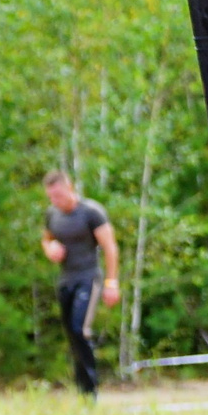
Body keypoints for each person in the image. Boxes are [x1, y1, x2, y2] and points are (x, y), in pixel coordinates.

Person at [40, 170, 121, 397]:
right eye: (51, 197)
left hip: (89, 278)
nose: (56, 201)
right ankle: (81, 390)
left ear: (70, 188)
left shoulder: (91, 212)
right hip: (66, 279)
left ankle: (91, 389)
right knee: (71, 333)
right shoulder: (52, 215)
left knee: (80, 329)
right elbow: (46, 238)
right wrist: (50, 249)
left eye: (59, 195)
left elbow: (110, 247)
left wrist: (111, 282)